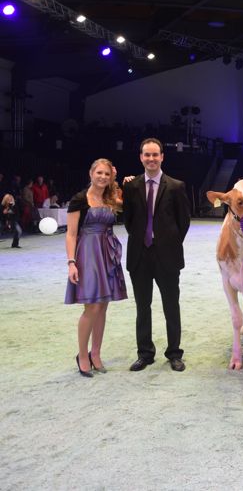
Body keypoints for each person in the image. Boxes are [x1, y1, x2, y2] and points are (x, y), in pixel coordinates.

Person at [123, 138, 191, 372]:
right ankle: (145, 353)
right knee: (142, 307)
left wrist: (168, 243)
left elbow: (183, 222)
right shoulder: (131, 187)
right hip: (139, 256)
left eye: (155, 154)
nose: (151, 159)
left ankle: (174, 353)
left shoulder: (176, 186)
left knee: (171, 306)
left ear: (162, 157)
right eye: (147, 155)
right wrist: (144, 240)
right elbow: (128, 221)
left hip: (167, 257)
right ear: (141, 157)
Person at [65, 159, 127, 377]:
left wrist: (122, 182)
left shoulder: (111, 198)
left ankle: (96, 353)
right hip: (88, 254)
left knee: (102, 307)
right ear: (91, 173)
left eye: (107, 174)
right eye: (99, 173)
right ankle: (82, 355)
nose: (102, 177)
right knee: (91, 307)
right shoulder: (79, 200)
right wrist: (71, 262)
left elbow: (128, 203)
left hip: (107, 254)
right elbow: (71, 234)